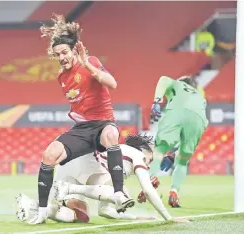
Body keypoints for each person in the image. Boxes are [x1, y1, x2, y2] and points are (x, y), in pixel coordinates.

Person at [29, 14, 129, 224]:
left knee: (112, 134)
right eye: (58, 55)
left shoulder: (91, 62)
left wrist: (87, 64)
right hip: (82, 129)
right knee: (49, 155)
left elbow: (113, 84)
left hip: (103, 124)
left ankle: (119, 193)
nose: (62, 57)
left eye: (64, 52)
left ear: (74, 50)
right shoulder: (62, 77)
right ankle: (42, 210)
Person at [16, 135, 158, 223]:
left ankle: (32, 207)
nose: (148, 166)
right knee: (121, 194)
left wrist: (133, 218)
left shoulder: (121, 160)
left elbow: (105, 210)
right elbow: (109, 206)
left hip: (74, 170)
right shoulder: (120, 158)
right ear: (141, 153)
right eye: (149, 160)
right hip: (79, 168)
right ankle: (43, 203)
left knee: (80, 216)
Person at [149, 75, 208, 208]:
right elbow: (204, 123)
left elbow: (163, 79)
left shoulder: (177, 84)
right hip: (199, 120)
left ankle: (150, 179)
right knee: (183, 160)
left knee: (160, 149)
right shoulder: (201, 99)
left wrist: (156, 101)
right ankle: (174, 191)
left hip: (177, 111)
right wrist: (174, 154)